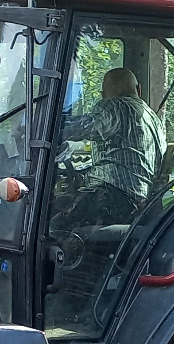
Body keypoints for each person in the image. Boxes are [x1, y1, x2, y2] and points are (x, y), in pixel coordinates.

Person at [57, 66, 164, 226]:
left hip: (113, 198)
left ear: (103, 95)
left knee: (49, 227)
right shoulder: (154, 119)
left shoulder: (115, 106)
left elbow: (84, 127)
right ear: (139, 90)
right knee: (61, 203)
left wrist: (47, 128)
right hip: (141, 202)